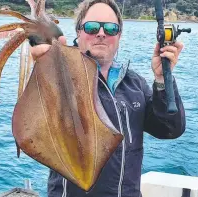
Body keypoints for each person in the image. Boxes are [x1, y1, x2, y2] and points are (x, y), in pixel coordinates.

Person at [30, 0, 186, 196]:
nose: (101, 33)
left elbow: (169, 129)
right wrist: (43, 66)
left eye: (111, 28)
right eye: (92, 27)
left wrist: (163, 80)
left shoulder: (134, 84)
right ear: (79, 32)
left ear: (119, 36)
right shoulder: (62, 77)